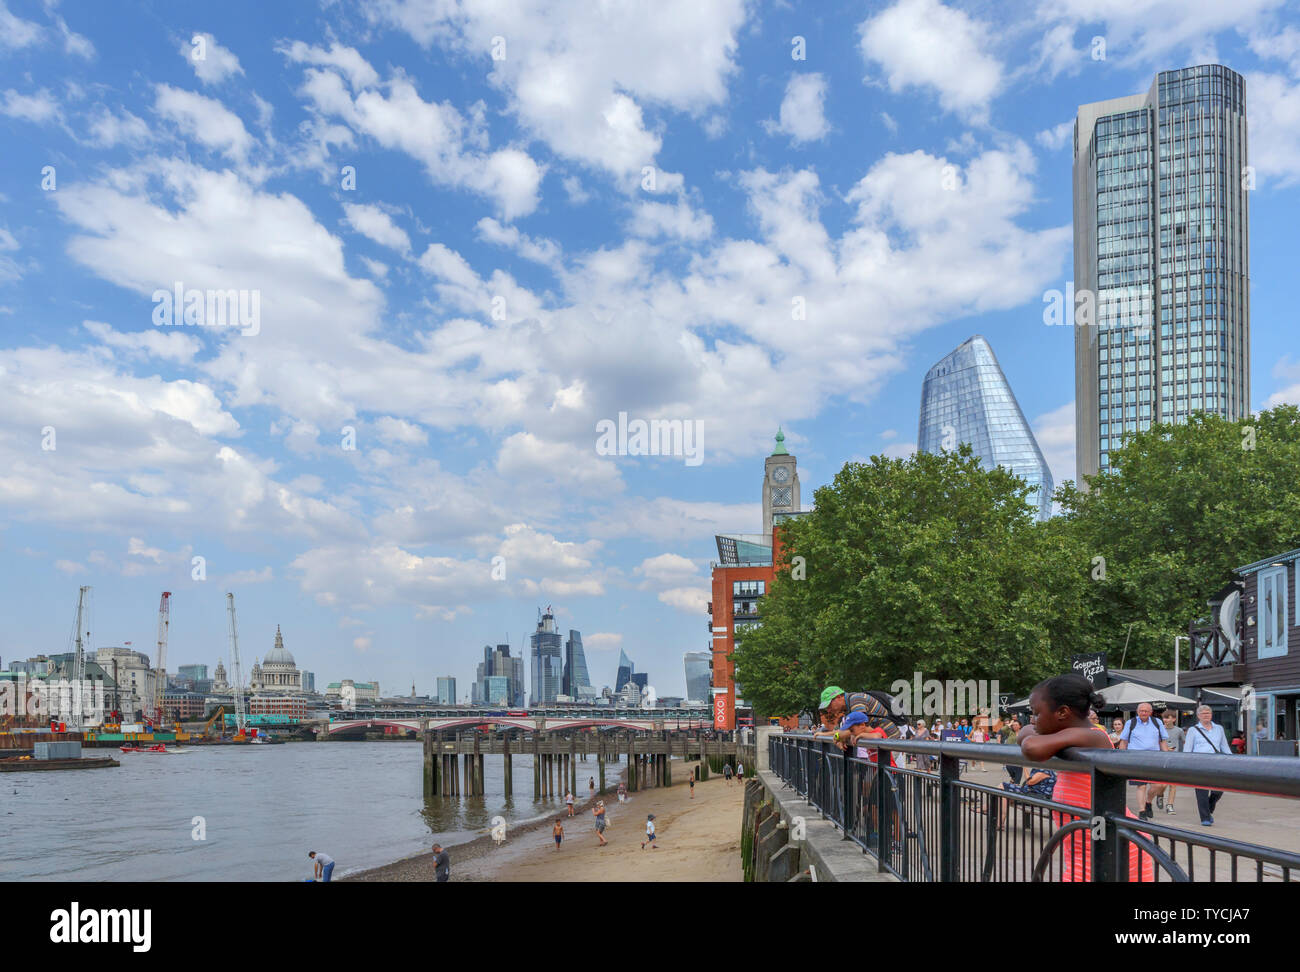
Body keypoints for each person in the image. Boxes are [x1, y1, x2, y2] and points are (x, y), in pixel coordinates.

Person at [1017, 673, 1154, 882]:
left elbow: (1030, 746)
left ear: (1062, 712)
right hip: (1088, 847)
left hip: (1112, 847)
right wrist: (1040, 732)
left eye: (1036, 714)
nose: (1032, 720)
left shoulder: (1092, 735)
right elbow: (1023, 734)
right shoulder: (1069, 735)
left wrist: (1040, 735)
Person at [1118, 702, 1170, 820]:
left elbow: (1162, 741)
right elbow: (1124, 741)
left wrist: (1167, 757)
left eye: (1146, 711)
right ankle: (1142, 812)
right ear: (1137, 711)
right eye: (1141, 710)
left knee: (1159, 785)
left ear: (1150, 712)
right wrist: (1121, 758)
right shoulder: (1131, 723)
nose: (1143, 713)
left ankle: (1148, 802)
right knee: (1141, 786)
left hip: (1154, 758)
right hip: (1136, 758)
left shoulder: (1157, 722)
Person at [1184, 704, 1231, 826]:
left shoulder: (1219, 728)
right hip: (1199, 763)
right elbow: (1187, 749)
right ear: (1198, 716)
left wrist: (1232, 759)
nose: (1206, 715)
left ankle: (1210, 807)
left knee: (1219, 789)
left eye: (1208, 713)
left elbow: (1224, 746)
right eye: (1203, 713)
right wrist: (1186, 764)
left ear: (1211, 715)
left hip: (1216, 762)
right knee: (1202, 792)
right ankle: (1205, 818)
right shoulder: (1193, 730)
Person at [816, 686, 904, 752]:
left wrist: (838, 737)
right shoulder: (850, 706)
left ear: (839, 697)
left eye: (829, 705)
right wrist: (839, 736)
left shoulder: (856, 701)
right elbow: (851, 730)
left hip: (890, 741)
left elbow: (858, 729)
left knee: (889, 775)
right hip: (883, 743)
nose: (828, 710)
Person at [1149, 710, 1186, 816]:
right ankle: (1160, 795)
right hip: (1161, 759)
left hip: (1175, 759)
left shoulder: (1179, 730)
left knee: (1173, 784)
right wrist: (1164, 748)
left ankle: (1170, 805)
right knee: (1163, 785)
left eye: (1168, 717)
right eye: (1164, 718)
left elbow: (1184, 742)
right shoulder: (1158, 730)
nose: (1165, 720)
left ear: (1174, 719)